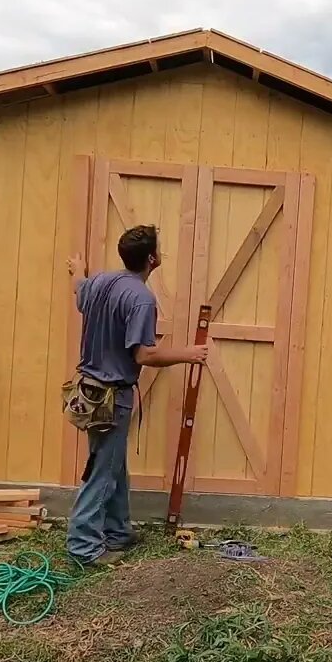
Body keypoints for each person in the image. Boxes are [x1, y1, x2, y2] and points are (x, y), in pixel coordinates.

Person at [65, 225, 208, 566]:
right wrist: (190, 354)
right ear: (152, 259)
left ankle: (118, 532)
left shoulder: (99, 281)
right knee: (103, 469)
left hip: (88, 391)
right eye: (160, 249)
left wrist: (78, 270)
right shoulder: (141, 298)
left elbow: (79, 292)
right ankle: (84, 548)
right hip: (112, 397)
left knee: (114, 465)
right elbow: (144, 355)